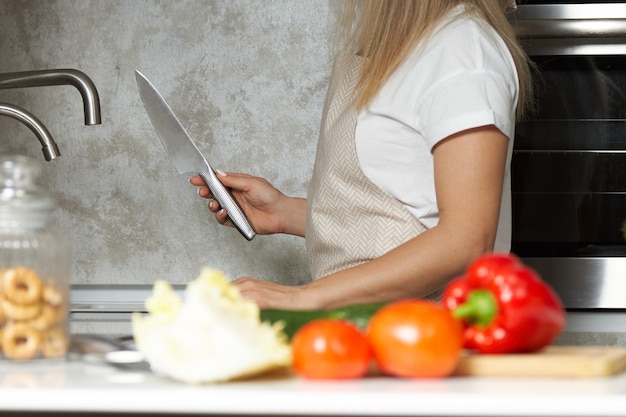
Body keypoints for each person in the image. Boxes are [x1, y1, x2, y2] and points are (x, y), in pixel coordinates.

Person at [190, 0, 533, 310]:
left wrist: (302, 295)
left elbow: (466, 240)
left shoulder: (462, 52)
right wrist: (284, 212)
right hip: (367, 337)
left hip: (429, 346)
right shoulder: (408, 47)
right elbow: (396, 216)